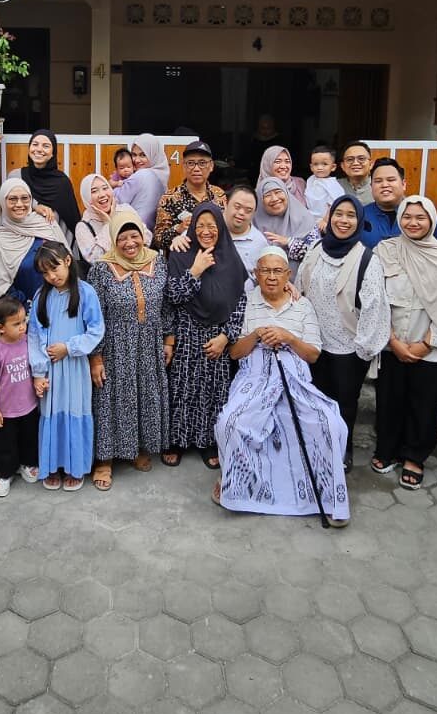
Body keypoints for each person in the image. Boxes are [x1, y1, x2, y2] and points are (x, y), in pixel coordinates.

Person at [216, 246, 349, 525]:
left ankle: (326, 497)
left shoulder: (302, 305)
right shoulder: (247, 302)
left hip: (294, 377)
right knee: (230, 421)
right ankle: (236, 485)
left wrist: (288, 337)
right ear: (256, 274)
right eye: (265, 270)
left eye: (278, 271)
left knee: (330, 423)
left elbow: (313, 354)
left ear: (289, 274)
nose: (272, 276)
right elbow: (235, 353)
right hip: (254, 377)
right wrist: (255, 335)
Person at [371, 197, 437, 490]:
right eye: (407, 216)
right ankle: (387, 449)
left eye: (421, 217)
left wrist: (426, 344)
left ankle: (414, 455)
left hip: (432, 346)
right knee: (389, 400)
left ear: (432, 221)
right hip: (392, 342)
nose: (413, 222)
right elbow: (374, 299)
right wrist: (393, 341)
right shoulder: (385, 250)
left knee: (424, 404)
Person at [295, 195, 389, 470]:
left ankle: (341, 449)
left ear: (359, 221)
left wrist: (364, 348)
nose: (343, 220)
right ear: (330, 217)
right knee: (314, 398)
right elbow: (299, 287)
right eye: (339, 214)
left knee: (344, 403)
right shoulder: (315, 249)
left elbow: (374, 307)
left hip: (348, 347)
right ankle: (315, 446)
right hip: (313, 343)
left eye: (350, 215)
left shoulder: (367, 259)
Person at [87, 207, 169, 490]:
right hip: (115, 345)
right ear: (113, 240)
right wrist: (95, 357)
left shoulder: (158, 262)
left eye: (134, 236)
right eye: (122, 238)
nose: (129, 243)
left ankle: (138, 449)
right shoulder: (100, 268)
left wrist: (168, 340)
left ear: (142, 236)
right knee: (112, 398)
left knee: (144, 394)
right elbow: (92, 315)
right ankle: (105, 459)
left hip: (149, 342)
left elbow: (166, 304)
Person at [161, 203, 246, 468]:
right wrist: (195, 271)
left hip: (217, 335)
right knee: (181, 389)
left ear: (221, 227)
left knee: (214, 391)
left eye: (212, 226)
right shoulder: (180, 255)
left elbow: (241, 303)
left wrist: (226, 336)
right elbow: (173, 297)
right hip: (186, 332)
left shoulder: (231, 258)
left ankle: (208, 442)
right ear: (192, 228)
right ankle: (176, 440)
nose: (206, 231)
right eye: (200, 226)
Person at [30, 241, 106, 491]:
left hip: (74, 368)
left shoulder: (85, 292)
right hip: (51, 369)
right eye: (45, 272)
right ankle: (52, 466)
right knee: (51, 414)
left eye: (55, 268)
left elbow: (96, 330)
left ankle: (76, 467)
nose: (52, 276)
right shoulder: (42, 296)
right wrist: (39, 371)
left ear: (67, 261)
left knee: (75, 412)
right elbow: (34, 334)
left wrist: (69, 347)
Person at [0, 296, 40, 497]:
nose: (22, 327)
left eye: (24, 321)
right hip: (5, 411)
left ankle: (28, 464)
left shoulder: (27, 342)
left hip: (29, 405)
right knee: (5, 444)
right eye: (16, 324)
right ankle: (4, 474)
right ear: (0, 327)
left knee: (29, 438)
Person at [0, 177, 64, 308]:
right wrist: (28, 310)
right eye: (12, 199)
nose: (20, 204)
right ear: (3, 202)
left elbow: (67, 262)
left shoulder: (46, 222)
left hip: (62, 306)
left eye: (25, 198)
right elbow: (2, 286)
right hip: (26, 314)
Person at [153, 140, 226, 251]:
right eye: (191, 163)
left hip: (214, 258)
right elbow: (158, 240)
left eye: (202, 163)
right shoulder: (169, 198)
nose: (196, 169)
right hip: (182, 260)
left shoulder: (219, 195)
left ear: (211, 166)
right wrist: (179, 228)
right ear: (184, 166)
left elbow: (227, 230)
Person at [13, 129, 81, 241]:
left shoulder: (62, 182)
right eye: (35, 144)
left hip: (52, 244)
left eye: (46, 146)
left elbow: (70, 221)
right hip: (19, 240)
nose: (39, 149)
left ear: (53, 153)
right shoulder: (16, 176)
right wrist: (35, 206)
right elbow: (8, 205)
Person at [113, 133, 170, 230]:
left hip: (132, 232)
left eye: (143, 155)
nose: (137, 160)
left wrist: (112, 185)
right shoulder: (161, 177)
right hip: (147, 234)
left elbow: (116, 200)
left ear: (153, 155)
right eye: (134, 155)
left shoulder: (141, 175)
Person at [254, 176, 319, 258]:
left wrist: (289, 242)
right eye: (267, 195)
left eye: (278, 192)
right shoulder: (252, 224)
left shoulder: (305, 219)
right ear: (260, 200)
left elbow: (316, 253)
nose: (274, 198)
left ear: (286, 193)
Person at [75, 173, 128, 267]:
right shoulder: (83, 227)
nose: (102, 195)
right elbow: (95, 259)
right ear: (86, 197)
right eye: (94, 191)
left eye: (105, 188)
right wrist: (108, 225)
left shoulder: (125, 210)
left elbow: (146, 239)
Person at [359, 157, 408, 244]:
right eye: (378, 181)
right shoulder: (359, 216)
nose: (385, 185)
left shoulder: (423, 217)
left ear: (403, 184)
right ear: (371, 186)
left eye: (391, 180)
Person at [305, 145, 344, 219]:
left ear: (333, 167)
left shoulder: (333, 184)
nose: (320, 168)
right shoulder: (310, 180)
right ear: (311, 167)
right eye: (316, 164)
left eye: (324, 164)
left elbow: (334, 204)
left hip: (324, 220)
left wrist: (325, 220)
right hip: (309, 218)